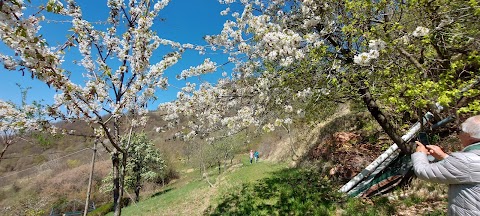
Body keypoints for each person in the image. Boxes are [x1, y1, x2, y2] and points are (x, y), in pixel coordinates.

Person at [412, 115, 480, 215]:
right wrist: (444, 157)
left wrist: (420, 154)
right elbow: (469, 171)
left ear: (470, 136)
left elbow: (423, 171)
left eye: (460, 131)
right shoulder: (469, 160)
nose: (459, 135)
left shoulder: (465, 161)